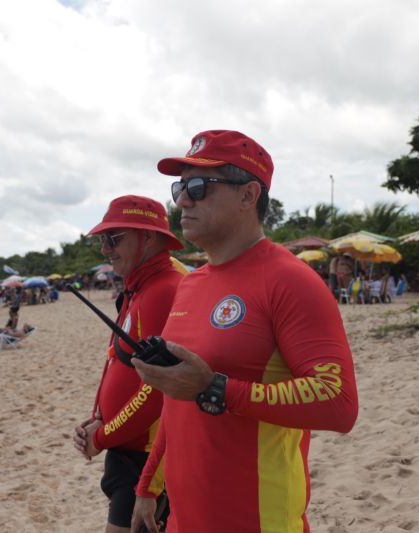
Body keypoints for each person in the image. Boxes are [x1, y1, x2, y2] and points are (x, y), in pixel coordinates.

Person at [129, 130, 358, 533]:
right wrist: (148, 485)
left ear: (248, 195)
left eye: (198, 187)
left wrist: (217, 389)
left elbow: (338, 402)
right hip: (185, 518)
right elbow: (177, 399)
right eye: (180, 186)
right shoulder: (191, 282)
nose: (182, 200)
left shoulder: (291, 280)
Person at [71, 195, 185, 533]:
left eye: (114, 238)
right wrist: (97, 418)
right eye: (103, 240)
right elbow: (117, 364)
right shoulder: (139, 288)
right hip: (127, 449)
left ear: (148, 237)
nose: (105, 249)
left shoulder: (164, 289)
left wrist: (102, 435)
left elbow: (157, 393)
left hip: (145, 457)